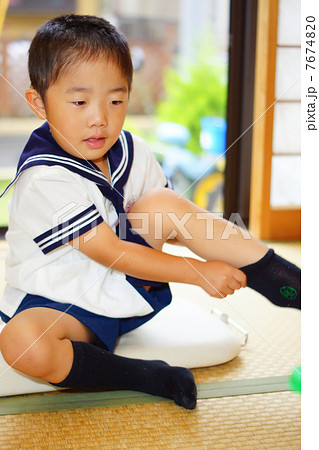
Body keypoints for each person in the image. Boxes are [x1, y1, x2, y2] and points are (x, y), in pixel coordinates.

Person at [0, 15, 300, 410]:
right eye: (79, 102)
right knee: (22, 344)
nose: (99, 118)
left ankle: (292, 285)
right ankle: (148, 376)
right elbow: (111, 251)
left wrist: (208, 244)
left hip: (130, 289)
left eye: (115, 100)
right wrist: (197, 273)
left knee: (163, 203)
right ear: (39, 102)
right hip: (65, 305)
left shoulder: (132, 149)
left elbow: (171, 226)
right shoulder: (45, 177)